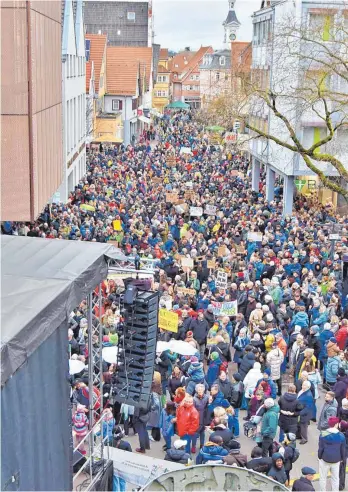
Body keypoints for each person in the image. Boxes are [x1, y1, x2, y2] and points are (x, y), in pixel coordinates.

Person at [318, 416, 346, 492]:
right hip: (336, 460)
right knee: (335, 478)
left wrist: (319, 456)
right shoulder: (341, 436)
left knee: (323, 478)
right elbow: (343, 450)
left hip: (325, 459)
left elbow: (321, 448)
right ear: (336, 424)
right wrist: (342, 459)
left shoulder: (323, 434)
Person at [192, 383, 209, 453]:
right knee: (195, 433)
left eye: (201, 390)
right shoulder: (194, 399)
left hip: (204, 417)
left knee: (203, 433)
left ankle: (202, 445)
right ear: (196, 390)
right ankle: (193, 446)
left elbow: (207, 406)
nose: (200, 391)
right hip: (197, 417)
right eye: (199, 390)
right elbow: (192, 409)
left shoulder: (206, 397)